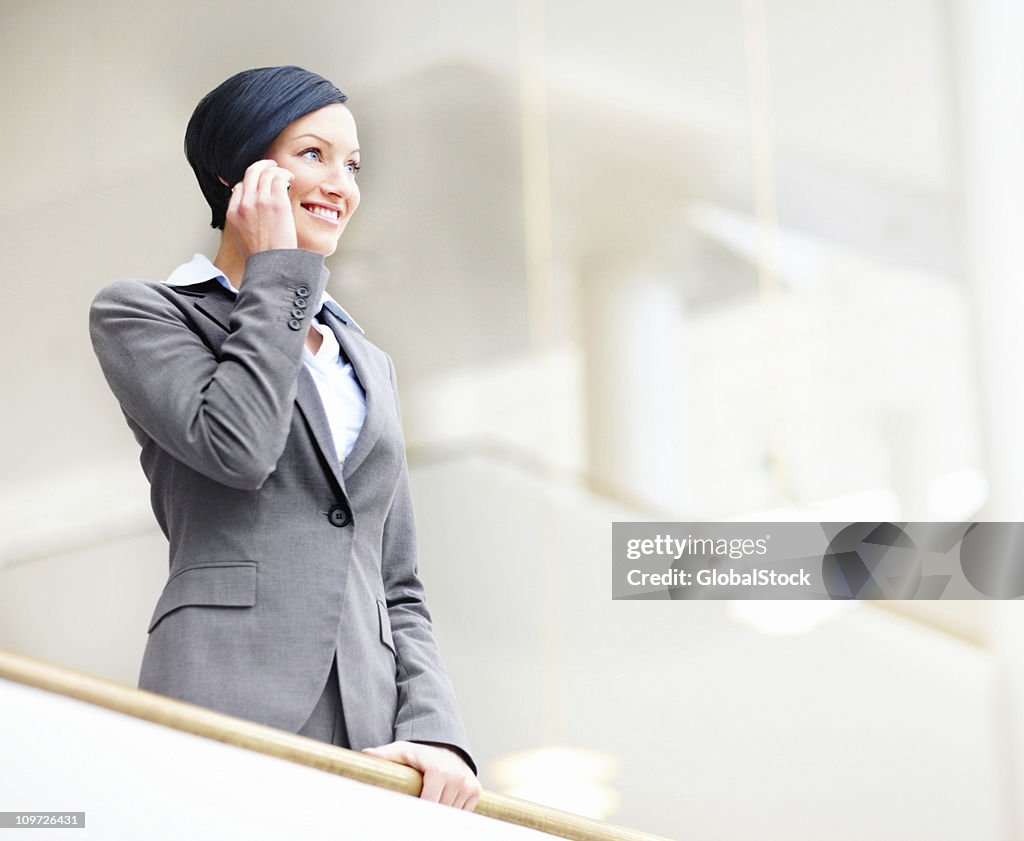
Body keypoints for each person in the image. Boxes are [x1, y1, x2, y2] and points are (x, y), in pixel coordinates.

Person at [89, 66, 480, 810]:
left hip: (370, 734)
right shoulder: (144, 315)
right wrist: (281, 271)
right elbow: (239, 447)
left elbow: (397, 582)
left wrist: (436, 728)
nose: (342, 183)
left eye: (353, 164)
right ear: (237, 171)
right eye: (312, 154)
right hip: (221, 697)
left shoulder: (368, 363)